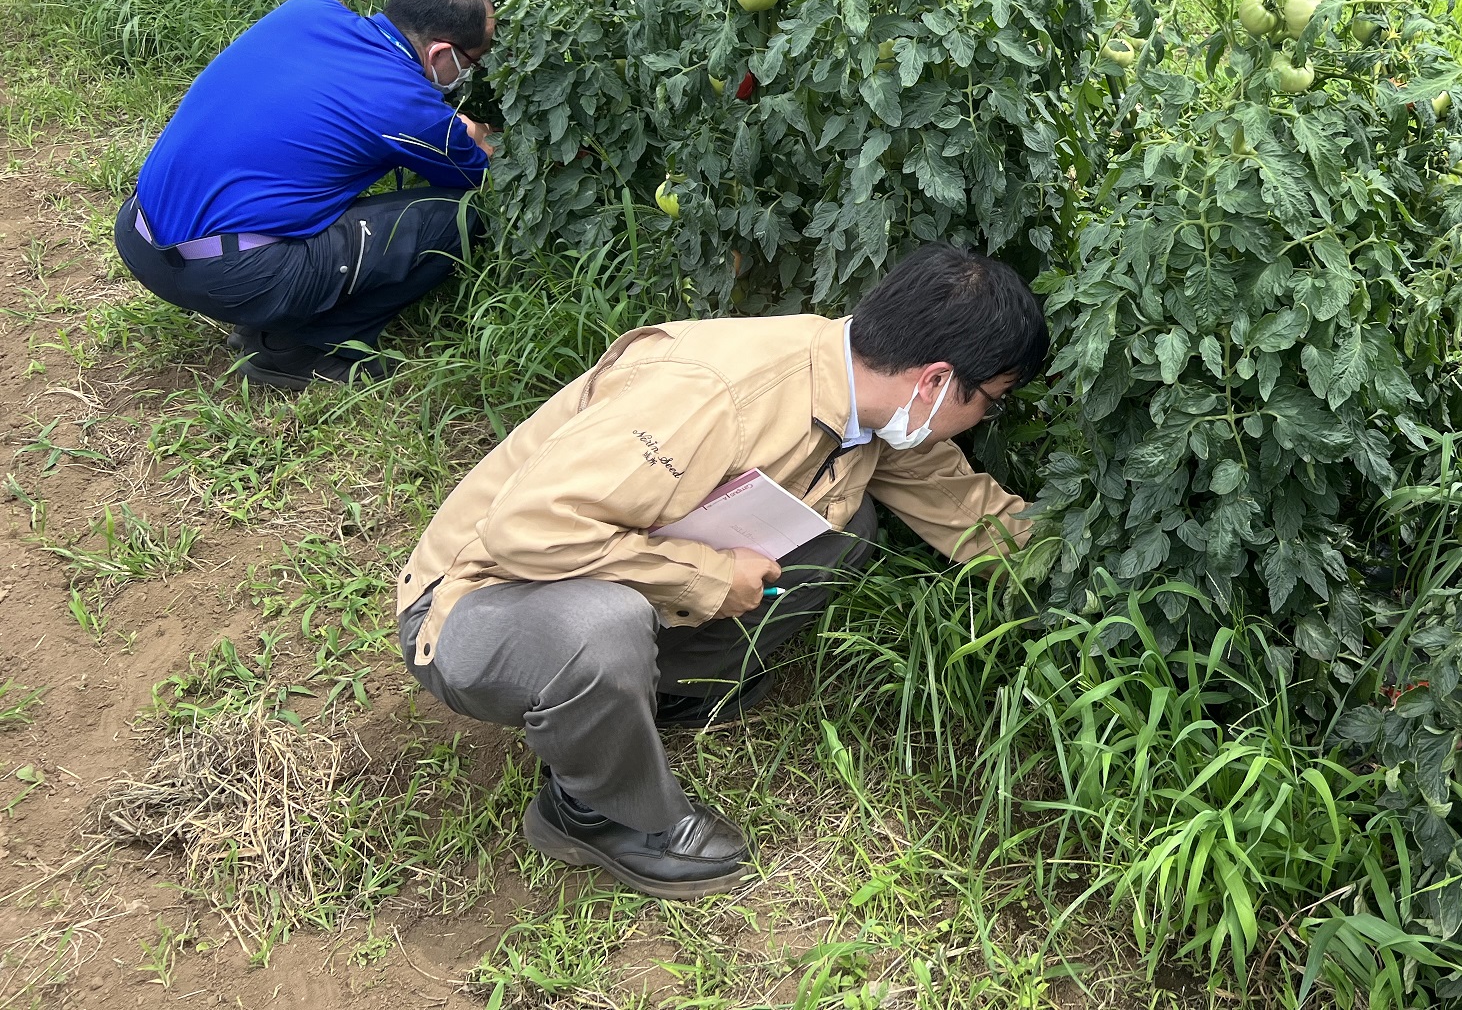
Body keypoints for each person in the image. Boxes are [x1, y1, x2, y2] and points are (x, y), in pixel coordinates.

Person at [395, 243, 1047, 900]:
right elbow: (526, 532)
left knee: (843, 531)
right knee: (601, 625)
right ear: (935, 382)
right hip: (471, 604)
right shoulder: (717, 394)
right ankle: (599, 813)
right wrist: (705, 578)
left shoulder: (865, 409)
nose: (986, 417)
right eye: (991, 400)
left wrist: (1077, 567)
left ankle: (653, 693)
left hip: (585, 573)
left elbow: (969, 512)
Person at [113, 0, 496, 390]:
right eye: (473, 62)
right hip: (227, 276)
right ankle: (301, 349)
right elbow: (482, 172)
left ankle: (261, 307)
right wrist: (479, 134)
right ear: (441, 55)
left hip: (138, 235)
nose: (469, 73)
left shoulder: (308, 10)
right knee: (464, 211)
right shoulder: (406, 104)